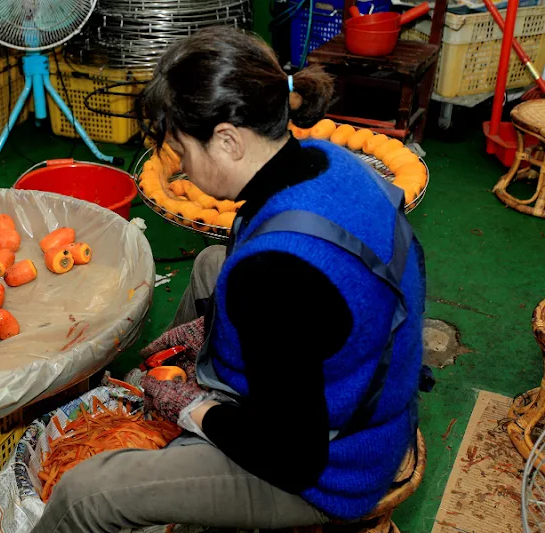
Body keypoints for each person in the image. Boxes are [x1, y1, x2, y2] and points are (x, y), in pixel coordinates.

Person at [30, 25, 426, 533]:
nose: (180, 172)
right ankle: (166, 402)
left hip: (334, 465)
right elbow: (308, 302)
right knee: (212, 265)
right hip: (365, 377)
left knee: (88, 493)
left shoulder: (273, 274)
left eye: (181, 149)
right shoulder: (327, 161)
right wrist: (212, 328)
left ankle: (170, 418)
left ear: (228, 139)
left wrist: (194, 410)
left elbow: (292, 460)